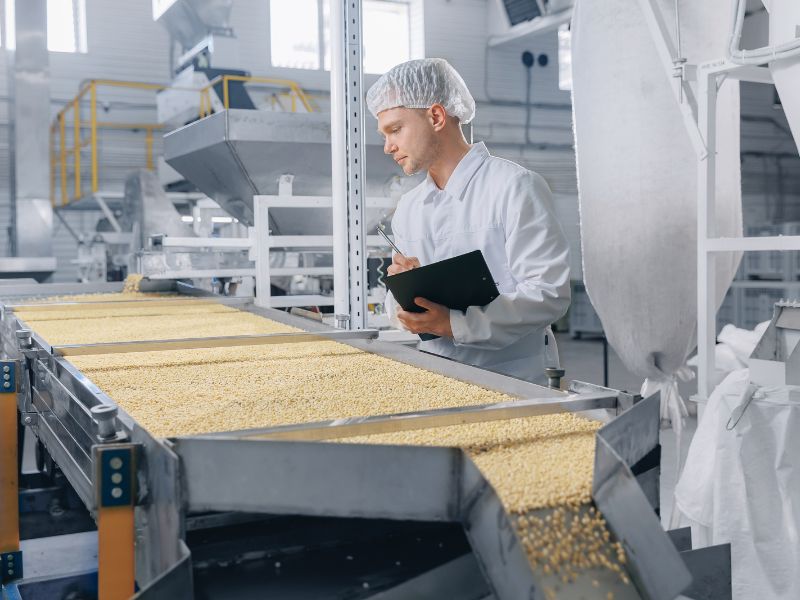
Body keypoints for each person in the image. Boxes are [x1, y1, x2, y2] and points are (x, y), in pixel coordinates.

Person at [367, 58, 570, 384]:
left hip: (515, 381)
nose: (388, 146)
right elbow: (402, 311)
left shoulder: (514, 187)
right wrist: (403, 298)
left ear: (435, 116)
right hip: (438, 379)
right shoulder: (410, 207)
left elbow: (548, 294)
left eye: (395, 129)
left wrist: (454, 324)